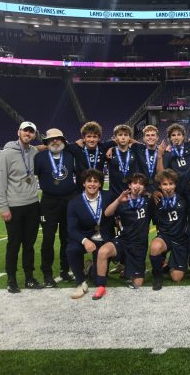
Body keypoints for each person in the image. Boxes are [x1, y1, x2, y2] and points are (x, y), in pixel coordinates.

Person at [0, 121, 43, 293]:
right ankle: (11, 279)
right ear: (19, 132)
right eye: (25, 131)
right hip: (14, 207)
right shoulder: (6, 154)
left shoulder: (34, 151)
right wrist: (3, 207)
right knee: (14, 244)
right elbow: (0, 183)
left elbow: (45, 147)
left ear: (34, 135)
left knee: (29, 244)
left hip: (32, 205)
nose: (28, 134)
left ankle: (29, 278)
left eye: (31, 132)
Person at [91, 173, 151, 299]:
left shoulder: (148, 201)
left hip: (138, 245)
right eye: (135, 183)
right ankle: (101, 286)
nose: (137, 186)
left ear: (144, 187)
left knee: (138, 284)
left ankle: (127, 269)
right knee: (103, 252)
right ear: (129, 185)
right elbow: (107, 214)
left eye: (141, 184)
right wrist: (119, 200)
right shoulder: (123, 200)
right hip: (123, 241)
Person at [34, 128, 77, 287]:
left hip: (68, 201)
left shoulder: (70, 155)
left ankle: (65, 270)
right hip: (49, 203)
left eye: (59, 138)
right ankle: (47, 274)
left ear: (64, 141)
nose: (55, 141)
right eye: (52, 139)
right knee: (48, 239)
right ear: (46, 142)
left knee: (67, 238)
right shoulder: (39, 157)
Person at [65, 169, 116, 299]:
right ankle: (81, 283)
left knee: (97, 279)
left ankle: (90, 268)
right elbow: (71, 229)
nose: (92, 184)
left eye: (95, 181)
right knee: (72, 249)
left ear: (100, 184)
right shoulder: (74, 203)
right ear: (84, 183)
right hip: (86, 238)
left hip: (103, 240)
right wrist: (84, 241)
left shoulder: (109, 196)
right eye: (89, 181)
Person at [149, 169, 189, 290]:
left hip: (181, 239)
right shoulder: (156, 200)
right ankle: (157, 276)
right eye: (165, 184)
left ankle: (167, 264)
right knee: (155, 246)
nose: (168, 187)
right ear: (160, 186)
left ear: (175, 185)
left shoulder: (183, 198)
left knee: (176, 278)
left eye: (171, 184)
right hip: (165, 237)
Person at [107, 124, 139, 196]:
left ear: (129, 138)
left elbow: (144, 147)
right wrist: (110, 147)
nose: (123, 137)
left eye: (126, 135)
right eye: (120, 135)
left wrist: (133, 141)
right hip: (114, 193)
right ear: (115, 137)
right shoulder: (110, 152)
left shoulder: (135, 151)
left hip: (132, 193)